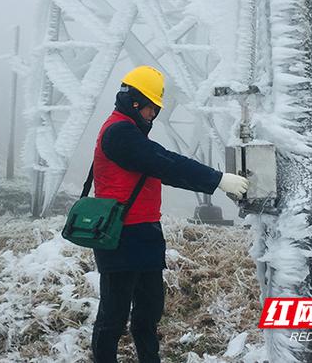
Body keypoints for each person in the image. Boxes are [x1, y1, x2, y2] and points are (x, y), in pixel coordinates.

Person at [91, 65, 249, 362]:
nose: (153, 115)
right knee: (113, 317)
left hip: (145, 235)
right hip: (120, 236)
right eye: (152, 107)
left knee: (148, 313)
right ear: (135, 102)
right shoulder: (119, 133)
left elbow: (162, 163)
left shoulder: (129, 131)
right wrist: (217, 179)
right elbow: (164, 163)